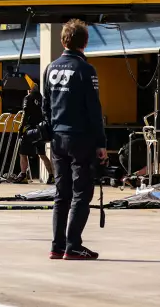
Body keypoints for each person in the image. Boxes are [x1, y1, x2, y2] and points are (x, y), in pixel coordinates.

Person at [43, 20, 106, 261]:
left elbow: (46, 106)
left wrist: (51, 130)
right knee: (81, 193)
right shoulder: (85, 70)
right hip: (81, 139)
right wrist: (101, 142)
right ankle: (73, 245)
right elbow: (94, 109)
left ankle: (57, 246)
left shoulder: (50, 68)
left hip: (57, 139)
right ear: (85, 42)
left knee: (62, 194)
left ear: (63, 41)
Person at [16, 82, 55, 184]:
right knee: (42, 154)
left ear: (30, 89)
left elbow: (25, 113)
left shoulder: (28, 98)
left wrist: (20, 128)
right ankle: (52, 176)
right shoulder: (42, 98)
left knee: (23, 153)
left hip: (30, 129)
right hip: (41, 130)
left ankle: (23, 175)